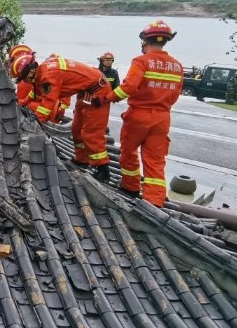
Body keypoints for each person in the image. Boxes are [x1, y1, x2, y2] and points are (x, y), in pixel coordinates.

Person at [105, 20, 183, 207]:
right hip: (163, 117)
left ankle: (130, 187)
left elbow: (129, 87)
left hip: (139, 115)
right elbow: (175, 95)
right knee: (155, 160)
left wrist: (108, 97)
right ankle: (154, 202)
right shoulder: (177, 66)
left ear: (144, 41)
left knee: (129, 152)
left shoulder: (141, 61)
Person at [10, 51, 112, 181]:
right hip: (87, 90)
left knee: (92, 132)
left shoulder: (48, 76)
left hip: (99, 91)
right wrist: (22, 103)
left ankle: (103, 170)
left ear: (29, 73)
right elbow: (35, 94)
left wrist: (32, 122)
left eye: (22, 77)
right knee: (76, 129)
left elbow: (47, 106)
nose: (23, 81)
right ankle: (82, 160)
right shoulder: (42, 73)